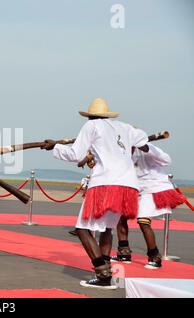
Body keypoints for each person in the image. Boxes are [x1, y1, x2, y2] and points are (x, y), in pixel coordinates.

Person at [41, 98, 149, 290]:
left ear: (90, 115)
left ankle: (102, 272)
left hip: (106, 182)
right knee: (106, 227)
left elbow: (75, 154)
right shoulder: (125, 127)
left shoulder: (91, 126)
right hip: (128, 184)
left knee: (83, 228)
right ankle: (106, 269)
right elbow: (144, 142)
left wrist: (55, 147)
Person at [112, 141, 185, 269]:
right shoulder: (124, 151)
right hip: (135, 188)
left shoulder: (149, 148)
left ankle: (154, 257)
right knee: (121, 217)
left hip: (153, 188)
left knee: (143, 221)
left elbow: (167, 160)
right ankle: (124, 253)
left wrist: (146, 148)